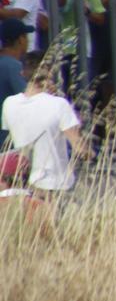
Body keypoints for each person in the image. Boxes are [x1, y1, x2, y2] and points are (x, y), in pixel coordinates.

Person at [1, 51, 90, 200]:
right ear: (50, 73)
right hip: (56, 184)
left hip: (23, 183)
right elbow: (81, 150)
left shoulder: (9, 104)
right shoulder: (59, 105)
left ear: (23, 73)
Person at [0, 20, 32, 147]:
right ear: (20, 40)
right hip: (8, 139)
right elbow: (28, 99)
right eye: (26, 36)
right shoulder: (14, 67)